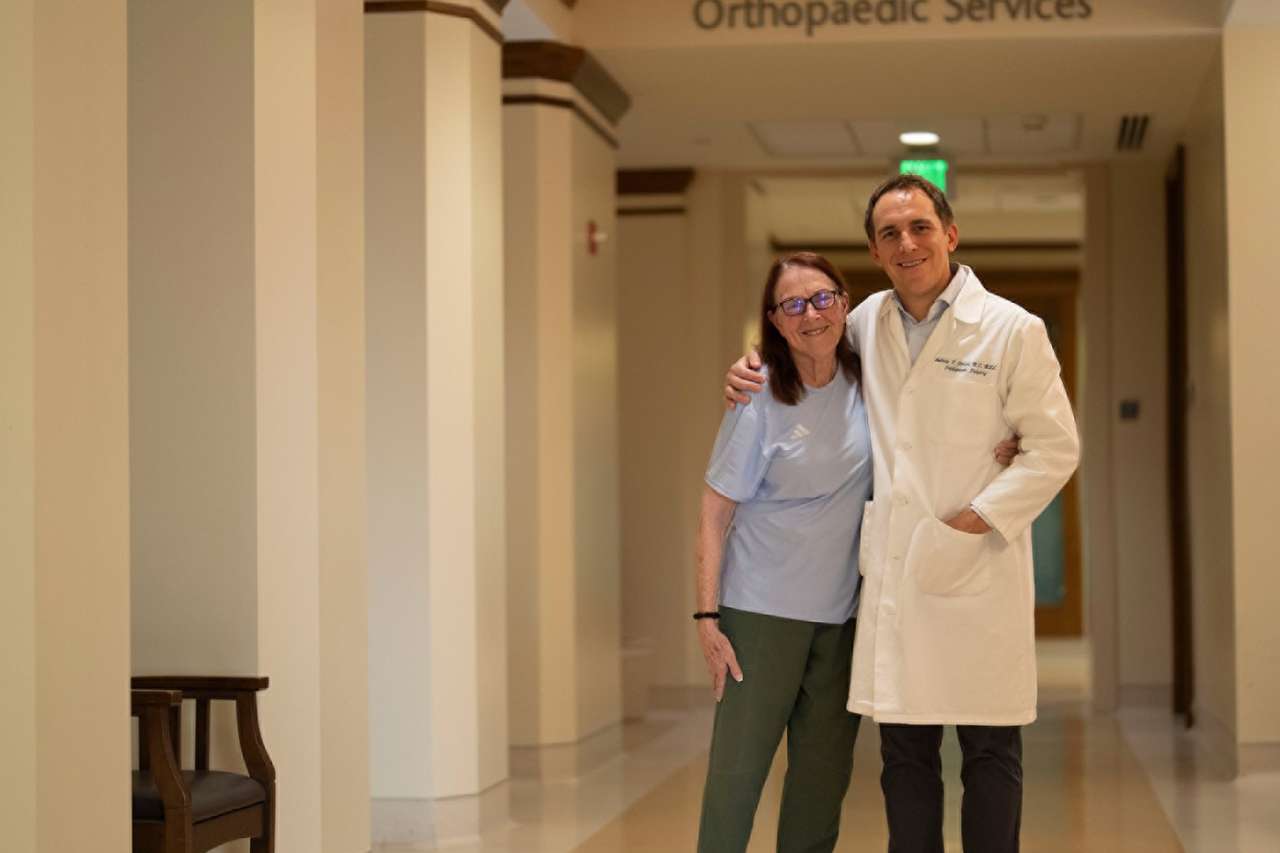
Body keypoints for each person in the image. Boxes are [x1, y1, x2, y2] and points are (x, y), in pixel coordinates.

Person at [724, 174, 1080, 853]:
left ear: (949, 233)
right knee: (906, 760)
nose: (907, 242)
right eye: (890, 233)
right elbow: (803, 346)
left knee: (991, 755)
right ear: (875, 251)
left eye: (920, 226)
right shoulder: (862, 325)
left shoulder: (1011, 329)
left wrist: (975, 517)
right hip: (898, 580)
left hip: (976, 568)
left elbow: (1055, 448)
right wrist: (748, 369)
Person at [697, 251, 1019, 853]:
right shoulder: (760, 392)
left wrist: (1006, 439)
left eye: (821, 298)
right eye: (791, 304)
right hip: (762, 613)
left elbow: (939, 420)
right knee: (737, 781)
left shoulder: (872, 377)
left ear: (846, 305)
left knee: (821, 786)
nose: (810, 314)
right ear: (773, 320)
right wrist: (707, 617)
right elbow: (715, 510)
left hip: (844, 616)